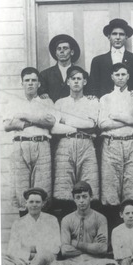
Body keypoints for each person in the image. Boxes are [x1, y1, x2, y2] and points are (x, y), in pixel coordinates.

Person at [46, 181, 119, 265]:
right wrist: (92, 246)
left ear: (91, 197)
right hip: (72, 262)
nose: (81, 200)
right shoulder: (67, 220)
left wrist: (75, 243)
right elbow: (65, 250)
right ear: (74, 199)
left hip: (93, 261)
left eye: (85, 196)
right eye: (78, 197)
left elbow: (102, 249)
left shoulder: (100, 218)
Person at [2, 67, 56, 216]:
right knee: (22, 190)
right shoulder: (13, 101)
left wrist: (23, 116)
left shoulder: (47, 101)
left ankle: (40, 233)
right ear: (22, 83)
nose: (30, 83)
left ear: (39, 83)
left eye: (33, 80)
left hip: (41, 144)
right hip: (20, 145)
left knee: (42, 189)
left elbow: (50, 121)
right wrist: (31, 122)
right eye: (27, 80)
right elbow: (7, 125)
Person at [98, 63, 133, 230]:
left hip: (132, 142)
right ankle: (114, 230)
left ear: (128, 76)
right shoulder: (105, 98)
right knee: (111, 185)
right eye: (117, 74)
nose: (120, 77)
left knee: (132, 184)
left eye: (123, 74)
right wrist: (128, 120)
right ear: (112, 77)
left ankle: (132, 230)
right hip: (112, 143)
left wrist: (117, 117)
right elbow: (103, 123)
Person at [51, 66, 100, 205]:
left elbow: (91, 124)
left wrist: (66, 121)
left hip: (86, 144)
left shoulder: (92, 102)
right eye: (73, 79)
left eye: (79, 78)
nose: (76, 82)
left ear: (85, 82)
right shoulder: (60, 103)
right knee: (64, 187)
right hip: (65, 144)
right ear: (68, 82)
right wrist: (77, 127)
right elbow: (54, 128)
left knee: (88, 185)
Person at [2, 188, 61, 265]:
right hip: (24, 261)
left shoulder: (51, 220)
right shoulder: (18, 223)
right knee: (1, 258)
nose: (34, 205)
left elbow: (56, 247)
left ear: (43, 204)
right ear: (26, 203)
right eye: (31, 202)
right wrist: (28, 255)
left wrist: (37, 253)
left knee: (43, 255)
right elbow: (12, 249)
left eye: (37, 202)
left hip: (45, 261)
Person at [88, 18, 133, 100]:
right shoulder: (98, 61)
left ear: (126, 37)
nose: (118, 37)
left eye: (121, 34)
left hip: (129, 104)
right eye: (114, 34)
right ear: (109, 37)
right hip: (106, 105)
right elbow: (93, 86)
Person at [38, 34, 83, 102]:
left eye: (65, 48)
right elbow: (40, 94)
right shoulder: (45, 74)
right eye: (59, 49)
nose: (62, 51)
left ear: (72, 52)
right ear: (56, 53)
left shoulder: (80, 74)